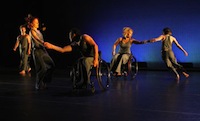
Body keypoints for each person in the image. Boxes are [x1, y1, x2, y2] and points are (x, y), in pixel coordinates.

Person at [44, 28, 99, 92]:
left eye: (70, 34)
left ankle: (88, 82)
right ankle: (80, 82)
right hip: (85, 58)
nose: (69, 37)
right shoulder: (75, 44)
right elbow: (63, 50)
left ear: (74, 34)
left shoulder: (85, 37)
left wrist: (96, 59)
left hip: (94, 56)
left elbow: (95, 46)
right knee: (79, 62)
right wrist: (51, 46)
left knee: (84, 61)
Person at [25, 15, 55, 90]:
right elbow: (36, 37)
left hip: (43, 50)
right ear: (31, 24)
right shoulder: (32, 31)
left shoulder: (38, 31)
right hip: (37, 51)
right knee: (42, 68)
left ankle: (44, 81)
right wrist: (42, 42)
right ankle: (38, 84)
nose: (38, 23)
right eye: (36, 22)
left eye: (38, 22)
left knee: (51, 64)